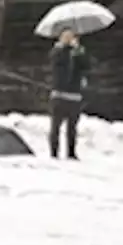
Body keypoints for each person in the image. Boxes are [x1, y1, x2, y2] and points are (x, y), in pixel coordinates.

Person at [49, 28, 91, 160]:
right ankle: (54, 152)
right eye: (65, 36)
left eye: (70, 36)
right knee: (56, 125)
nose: (68, 38)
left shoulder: (78, 51)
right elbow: (56, 63)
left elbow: (86, 65)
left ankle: (71, 152)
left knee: (72, 126)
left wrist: (78, 51)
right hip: (59, 93)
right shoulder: (57, 51)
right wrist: (65, 49)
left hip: (74, 94)